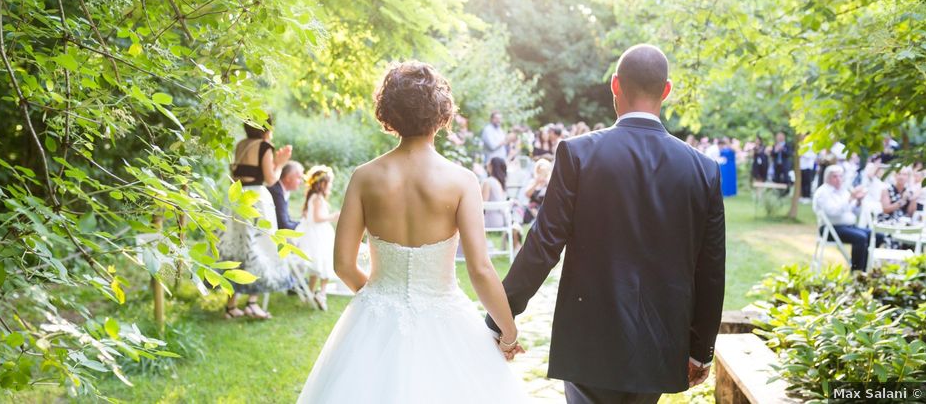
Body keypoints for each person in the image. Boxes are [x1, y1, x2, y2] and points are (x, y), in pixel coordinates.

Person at [486, 44, 725, 403]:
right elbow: (711, 269)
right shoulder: (702, 169)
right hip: (660, 340)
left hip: (589, 337)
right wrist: (700, 348)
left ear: (615, 86)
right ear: (666, 90)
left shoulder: (578, 154)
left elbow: (542, 245)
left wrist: (500, 317)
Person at [297, 61, 527, 403]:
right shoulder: (462, 181)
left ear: (389, 113)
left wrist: (379, 298)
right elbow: (480, 269)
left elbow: (343, 264)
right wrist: (508, 333)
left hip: (373, 318)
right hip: (445, 315)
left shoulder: (364, 177)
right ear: (441, 113)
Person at [219, 117, 294, 320]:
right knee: (260, 246)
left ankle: (231, 306)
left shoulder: (241, 144)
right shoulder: (264, 146)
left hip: (236, 197)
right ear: (266, 128)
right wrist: (280, 164)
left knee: (239, 247)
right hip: (256, 198)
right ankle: (252, 303)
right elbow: (270, 179)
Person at [813, 165, 880, 271]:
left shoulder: (844, 191)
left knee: (876, 235)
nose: (839, 179)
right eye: (835, 177)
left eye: (840, 176)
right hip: (831, 228)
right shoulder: (823, 192)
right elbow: (833, 212)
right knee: (860, 237)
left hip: (849, 226)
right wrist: (850, 198)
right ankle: (857, 270)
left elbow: (854, 212)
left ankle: (865, 267)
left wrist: (857, 202)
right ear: (828, 178)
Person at [298, 165, 339, 311]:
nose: (330, 186)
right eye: (329, 183)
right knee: (324, 262)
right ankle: (322, 293)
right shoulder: (317, 198)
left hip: (316, 233)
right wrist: (333, 217)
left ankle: (310, 292)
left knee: (318, 266)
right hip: (318, 234)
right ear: (322, 184)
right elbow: (317, 218)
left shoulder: (314, 197)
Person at [268, 160, 304, 231]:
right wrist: (304, 226)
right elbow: (284, 226)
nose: (301, 181)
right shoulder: (276, 192)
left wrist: (302, 223)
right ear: (288, 178)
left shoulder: (282, 190)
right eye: (299, 177)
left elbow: (287, 220)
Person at [522, 158, 552, 225]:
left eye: (543, 172)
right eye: (539, 172)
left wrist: (547, 182)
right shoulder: (533, 182)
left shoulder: (550, 183)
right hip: (531, 208)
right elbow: (527, 194)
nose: (541, 174)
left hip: (544, 209)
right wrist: (536, 183)